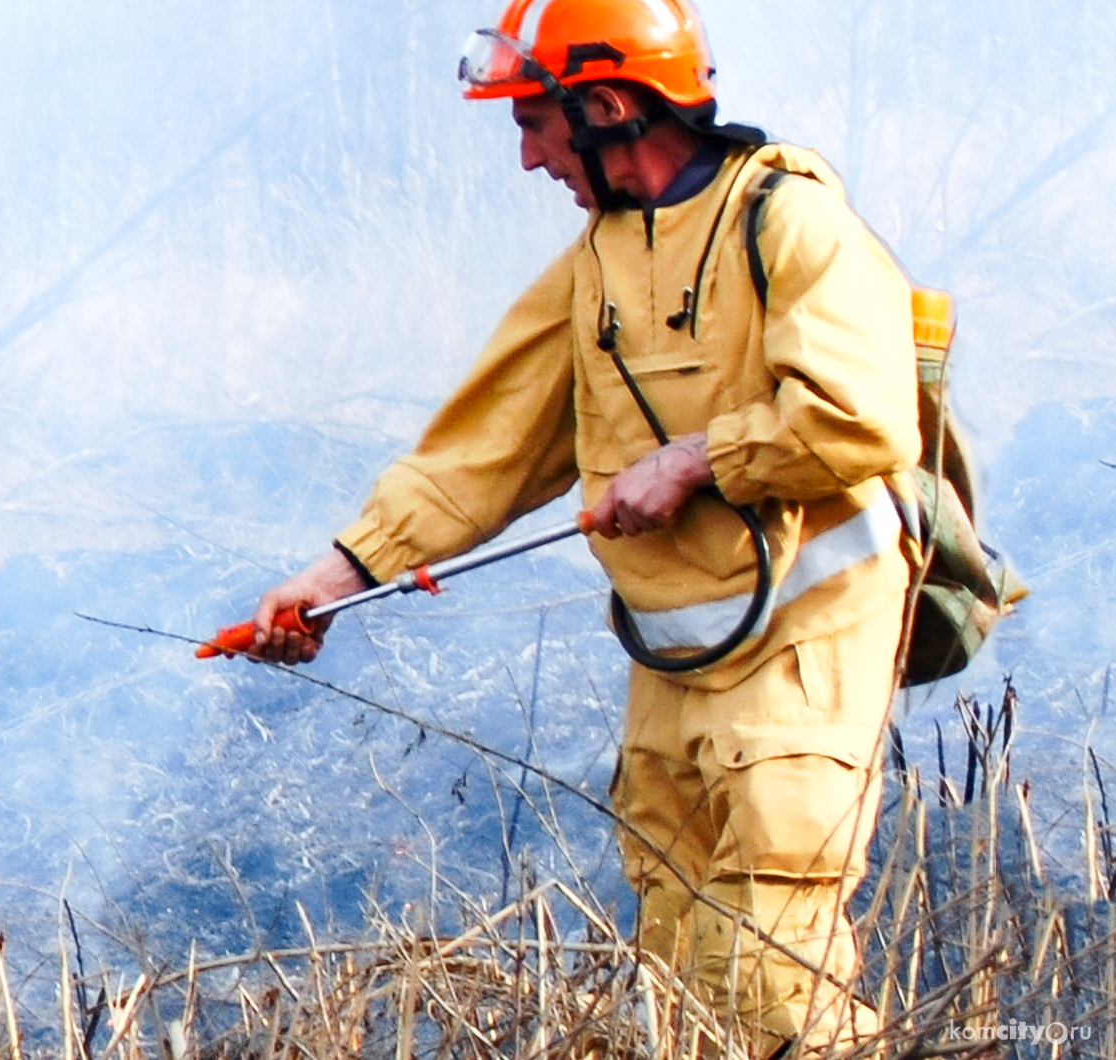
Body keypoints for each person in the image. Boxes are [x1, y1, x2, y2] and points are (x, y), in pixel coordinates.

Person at [242, 1, 918, 1055]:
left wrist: (697, 459)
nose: (525, 159)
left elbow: (864, 415)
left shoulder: (785, 222)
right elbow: (485, 448)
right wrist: (335, 576)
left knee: (771, 978)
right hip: (675, 655)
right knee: (681, 978)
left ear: (604, 106)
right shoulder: (597, 261)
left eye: (532, 124)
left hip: (804, 649)